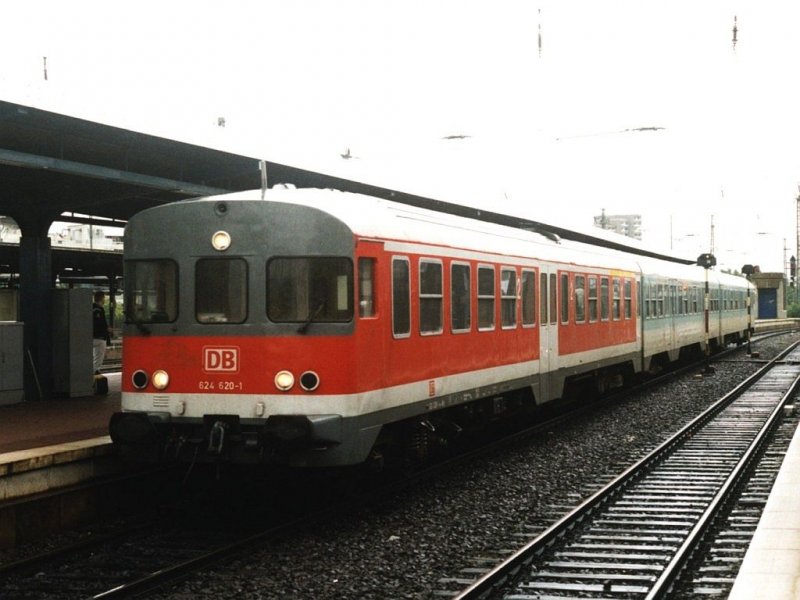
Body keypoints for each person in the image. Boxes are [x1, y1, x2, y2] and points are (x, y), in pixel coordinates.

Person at [92, 291, 111, 374]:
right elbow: (99, 323)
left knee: (95, 356)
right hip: (99, 337)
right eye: (104, 298)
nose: (105, 299)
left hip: (91, 336)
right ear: (101, 298)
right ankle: (96, 371)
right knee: (98, 356)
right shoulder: (99, 309)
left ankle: (94, 370)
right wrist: (106, 329)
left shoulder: (91, 307)